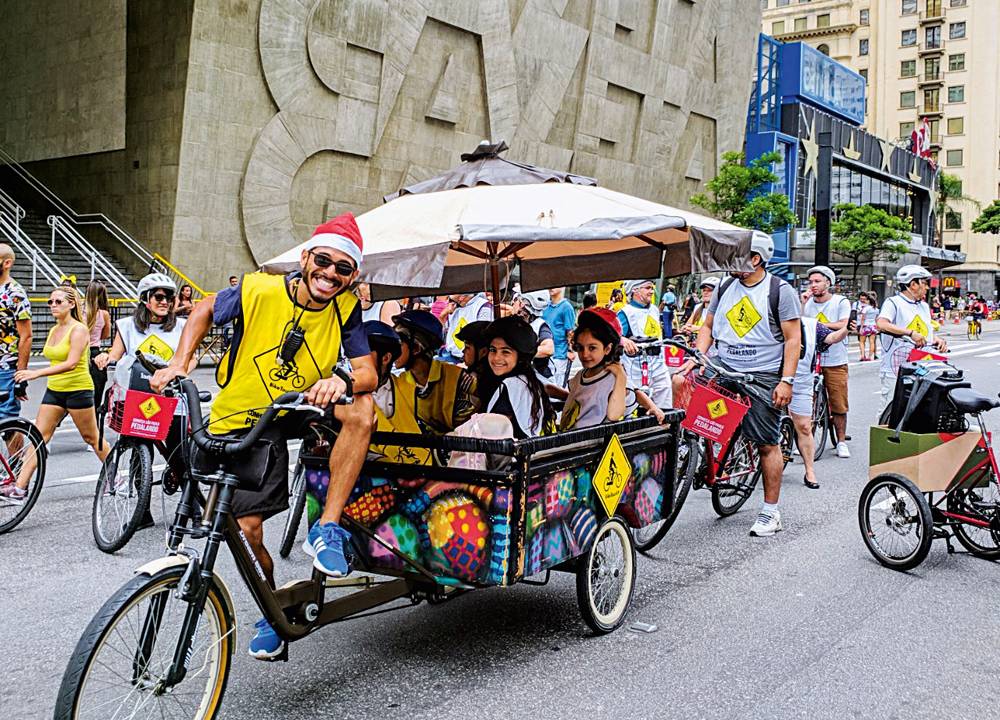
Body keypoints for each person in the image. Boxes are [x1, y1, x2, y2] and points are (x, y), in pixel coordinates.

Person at [151, 213, 377, 660]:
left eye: (343, 268)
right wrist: (180, 361)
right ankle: (273, 611)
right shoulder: (259, 290)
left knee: (362, 412)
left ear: (352, 278)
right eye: (324, 261)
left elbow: (367, 372)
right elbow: (203, 309)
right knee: (246, 534)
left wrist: (343, 383)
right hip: (239, 413)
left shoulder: (345, 310)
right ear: (306, 257)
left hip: (294, 407)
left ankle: (327, 528)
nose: (330, 273)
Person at [681, 231, 801, 538]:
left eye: (737, 255)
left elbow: (792, 339)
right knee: (692, 412)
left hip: (762, 375)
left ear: (756, 259)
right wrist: (698, 356)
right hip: (723, 366)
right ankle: (698, 459)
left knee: (766, 443)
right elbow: (707, 326)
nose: (728, 261)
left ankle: (770, 512)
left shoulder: (779, 291)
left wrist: (786, 381)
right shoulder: (724, 286)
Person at [95, 274, 194, 519]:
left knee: (179, 456)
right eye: (159, 297)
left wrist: (177, 373)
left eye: (169, 298)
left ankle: (191, 510)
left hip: (172, 397)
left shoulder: (182, 327)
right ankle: (143, 514)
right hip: (138, 397)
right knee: (140, 454)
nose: (165, 302)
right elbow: (116, 353)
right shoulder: (127, 325)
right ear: (145, 299)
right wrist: (105, 358)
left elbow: (190, 358)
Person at [5, 287, 111, 502]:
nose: (53, 305)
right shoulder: (55, 330)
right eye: (50, 302)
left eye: (58, 301)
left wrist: (35, 373)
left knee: (92, 437)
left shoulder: (79, 329)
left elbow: (71, 363)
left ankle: (115, 474)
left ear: (71, 304)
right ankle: (19, 487)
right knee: (38, 438)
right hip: (55, 390)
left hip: (78, 390)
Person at [558, 308, 664, 430]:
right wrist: (547, 389)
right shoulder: (581, 376)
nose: (585, 354)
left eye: (592, 348)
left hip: (594, 443)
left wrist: (652, 407)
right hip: (571, 437)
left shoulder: (613, 377)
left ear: (608, 349)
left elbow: (615, 414)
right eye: (580, 348)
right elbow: (578, 397)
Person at [875, 265, 948, 414]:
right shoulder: (893, 303)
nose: (927, 287)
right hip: (895, 369)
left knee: (917, 412)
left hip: (922, 367)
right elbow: (881, 323)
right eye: (924, 283)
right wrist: (910, 333)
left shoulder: (924, 306)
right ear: (913, 284)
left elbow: (925, 332)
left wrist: (937, 339)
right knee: (891, 411)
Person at [393, 309, 478, 434]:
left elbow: (469, 430)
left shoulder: (459, 380)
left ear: (416, 348)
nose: (392, 349)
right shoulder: (399, 383)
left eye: (398, 343)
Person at [789, 317, 849, 489]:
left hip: (801, 381)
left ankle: (809, 470)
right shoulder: (773, 319)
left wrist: (846, 330)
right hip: (774, 378)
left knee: (804, 427)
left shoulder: (810, 325)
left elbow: (831, 338)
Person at [801, 265, 852, 459]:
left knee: (838, 402)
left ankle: (840, 441)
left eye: (817, 281)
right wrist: (802, 304)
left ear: (828, 283)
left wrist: (815, 324)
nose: (812, 285)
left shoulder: (840, 301)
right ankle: (807, 439)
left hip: (835, 359)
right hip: (811, 360)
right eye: (810, 282)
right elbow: (796, 322)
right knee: (808, 402)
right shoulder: (807, 303)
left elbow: (843, 324)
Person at [363, 321, 431, 465]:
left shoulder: (410, 390)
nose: (356, 362)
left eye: (364, 355)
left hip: (413, 470)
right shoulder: (345, 393)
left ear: (386, 358)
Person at [478, 316, 555, 438]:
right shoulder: (526, 380)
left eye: (506, 352)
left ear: (520, 356)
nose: (496, 358)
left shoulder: (512, 386)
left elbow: (494, 433)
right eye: (493, 350)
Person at [618, 279, 672, 408]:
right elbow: (611, 335)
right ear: (635, 290)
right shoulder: (625, 313)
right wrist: (622, 340)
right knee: (632, 405)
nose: (651, 291)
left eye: (652, 288)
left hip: (658, 365)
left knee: (664, 403)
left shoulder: (654, 309)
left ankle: (664, 427)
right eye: (647, 288)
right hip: (635, 368)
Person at [0, 244, 32, 420]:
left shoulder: (15, 293)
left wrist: (21, 376)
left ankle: (17, 450)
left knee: (7, 422)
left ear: (7, 263)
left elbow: (26, 336)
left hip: (6, 367)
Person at [512, 290, 555, 380]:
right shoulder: (513, 323)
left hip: (541, 378)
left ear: (521, 304)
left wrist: (522, 353)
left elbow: (548, 349)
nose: (512, 303)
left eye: (515, 299)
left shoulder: (540, 326)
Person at [440, 293, 492, 364]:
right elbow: (447, 333)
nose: (448, 295)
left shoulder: (482, 307)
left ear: (462, 296)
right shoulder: (453, 307)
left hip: (472, 361)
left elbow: (484, 338)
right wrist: (443, 316)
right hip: (451, 357)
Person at [85, 281, 112, 408]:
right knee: (95, 397)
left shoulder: (79, 311)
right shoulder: (104, 314)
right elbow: (106, 334)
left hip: (79, 352)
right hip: (95, 352)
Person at [543, 287, 576, 386]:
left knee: (557, 388)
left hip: (559, 356)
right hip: (545, 354)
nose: (551, 287)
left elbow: (570, 332)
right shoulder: (545, 306)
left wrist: (570, 351)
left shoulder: (566, 307)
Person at [856, 292, 878, 361]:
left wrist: (861, 328)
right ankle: (870, 356)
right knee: (872, 342)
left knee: (862, 342)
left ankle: (862, 355)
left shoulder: (866, 308)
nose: (865, 301)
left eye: (866, 300)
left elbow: (863, 318)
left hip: (866, 326)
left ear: (869, 301)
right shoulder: (876, 309)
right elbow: (876, 319)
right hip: (873, 326)